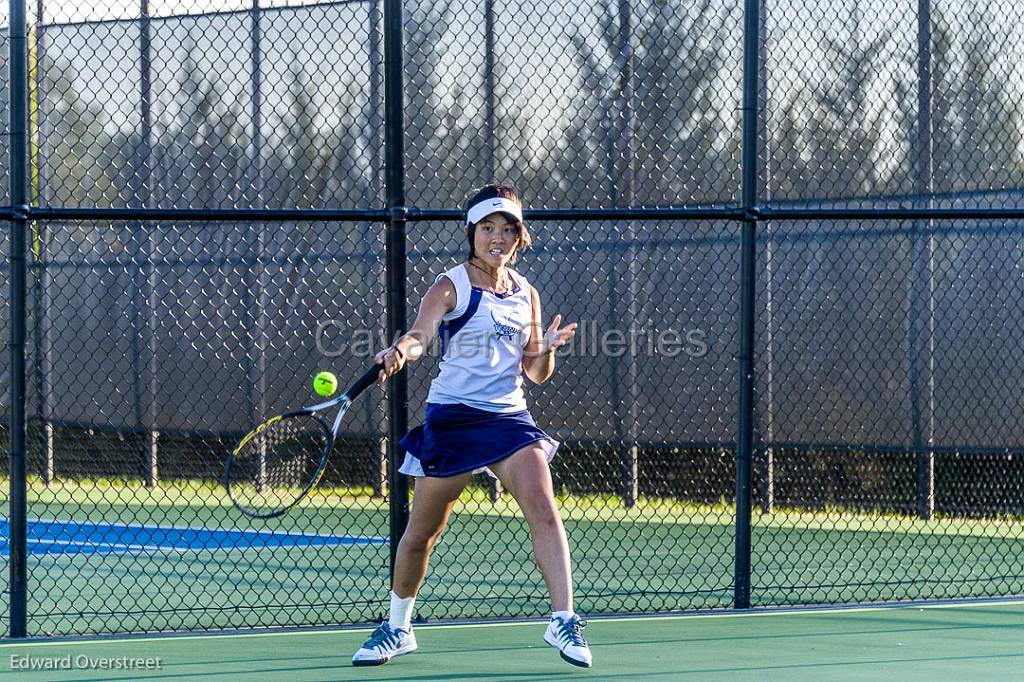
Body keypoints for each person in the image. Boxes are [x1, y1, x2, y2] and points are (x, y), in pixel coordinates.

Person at [351, 183, 591, 668]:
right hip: (453, 418)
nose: (497, 237)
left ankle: (563, 619)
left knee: (544, 506)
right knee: (423, 532)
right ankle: (398, 626)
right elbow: (421, 334)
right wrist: (400, 351)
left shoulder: (527, 294)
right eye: (488, 228)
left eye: (508, 229)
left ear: (520, 237)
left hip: (508, 419)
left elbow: (534, 373)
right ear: (472, 233)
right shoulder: (450, 285)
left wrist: (545, 348)